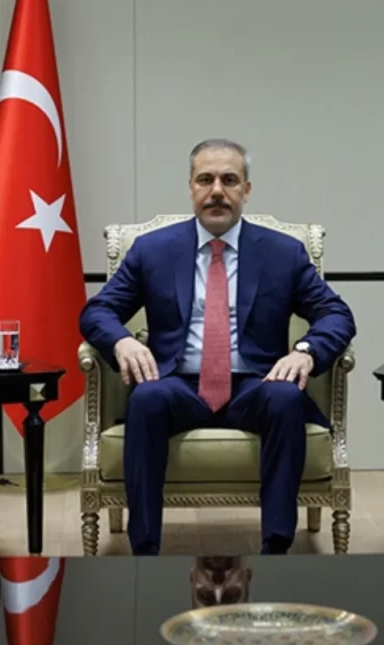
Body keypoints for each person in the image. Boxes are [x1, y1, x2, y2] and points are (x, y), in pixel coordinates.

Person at [79, 138, 356, 556]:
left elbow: (336, 314)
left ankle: (276, 548)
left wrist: (306, 351)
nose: (217, 191)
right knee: (146, 399)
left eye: (229, 180)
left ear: (247, 189)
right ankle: (145, 551)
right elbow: (98, 310)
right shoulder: (153, 250)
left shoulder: (282, 253)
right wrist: (121, 341)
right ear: (190, 187)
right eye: (205, 180)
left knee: (285, 398)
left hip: (255, 383)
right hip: (177, 383)